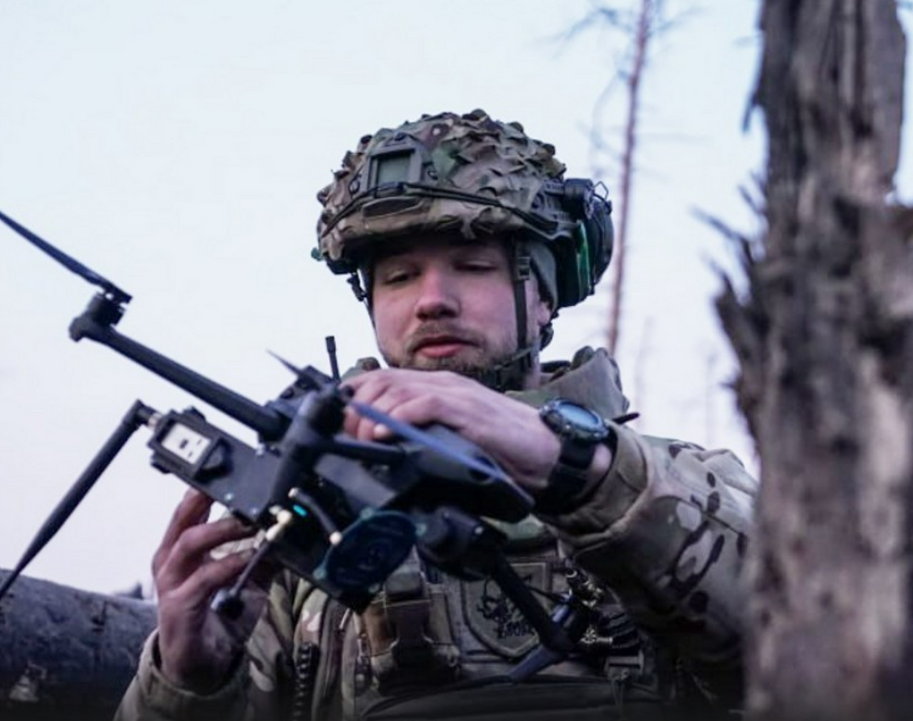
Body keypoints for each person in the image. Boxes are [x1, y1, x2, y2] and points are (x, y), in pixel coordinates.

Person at [115, 109, 756, 720]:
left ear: (542, 297)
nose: (432, 302)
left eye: (472, 267)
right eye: (399, 277)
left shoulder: (684, 484)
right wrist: (188, 682)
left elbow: (790, 636)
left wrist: (573, 466)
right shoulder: (304, 521)